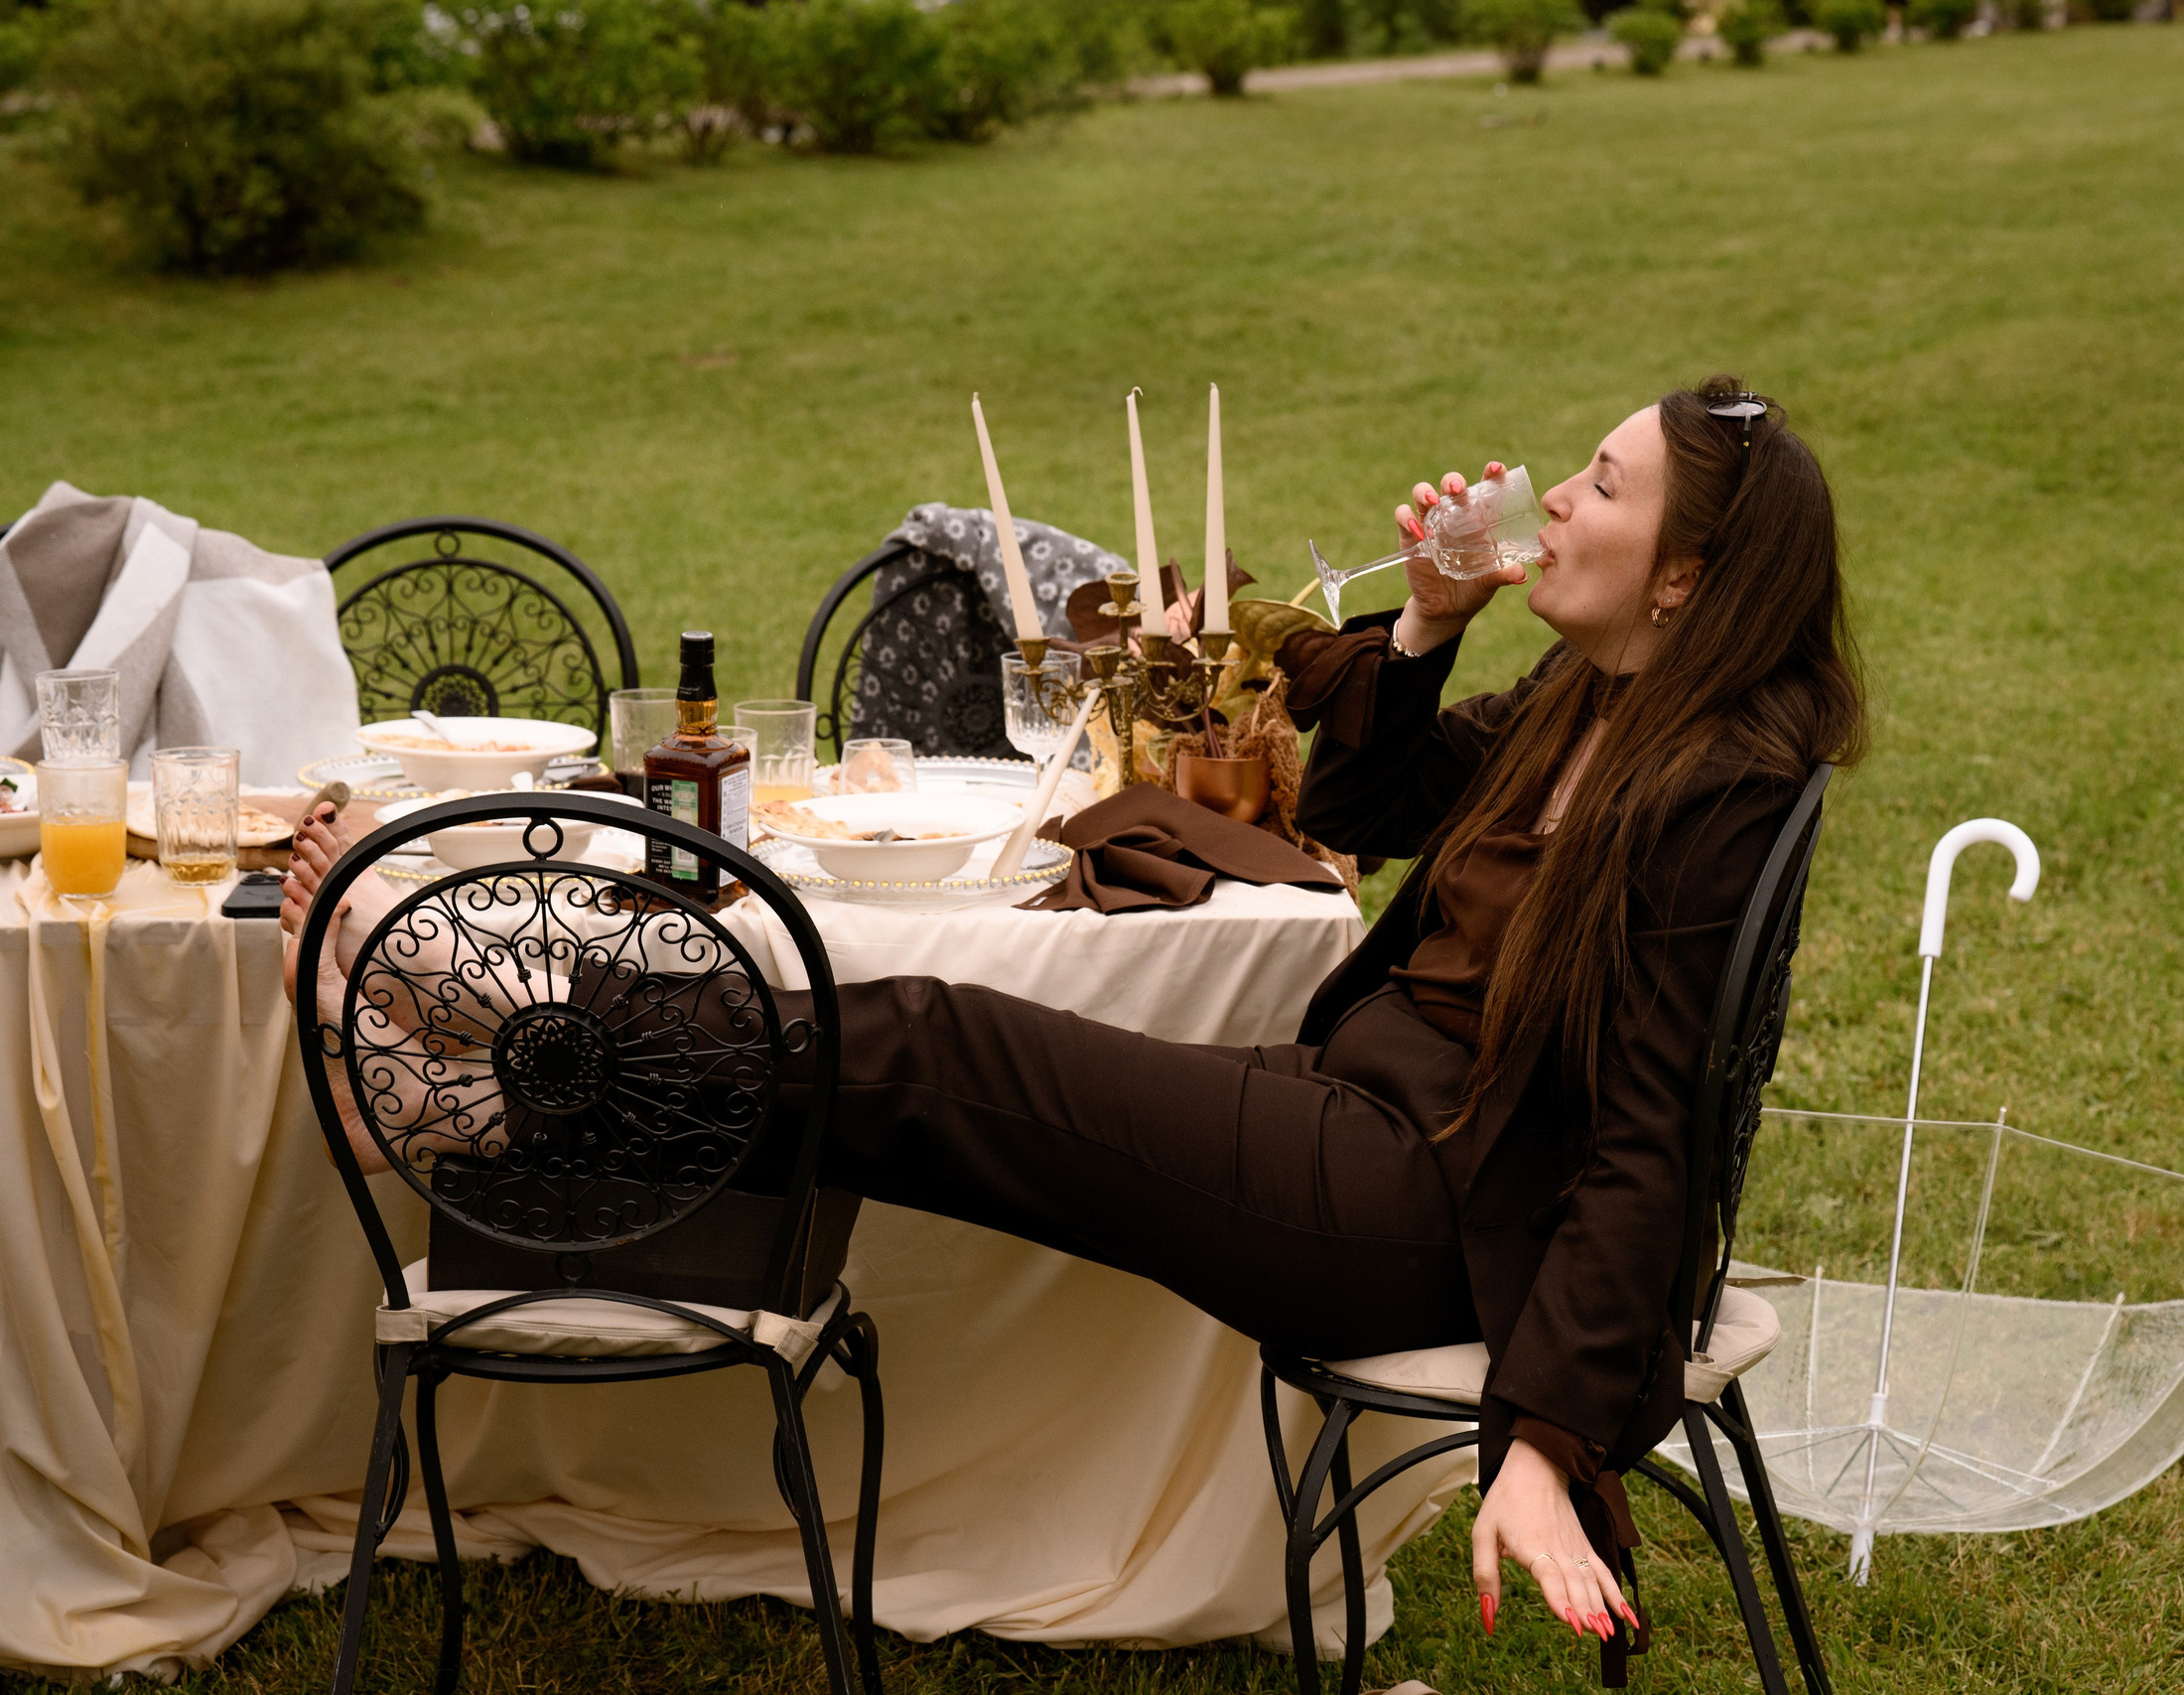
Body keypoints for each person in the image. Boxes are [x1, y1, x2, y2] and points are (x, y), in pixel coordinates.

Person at [281, 375, 1864, 1683]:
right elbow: (1369, 814)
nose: (1558, 501)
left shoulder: (1706, 782)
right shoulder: (1600, 704)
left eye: (1601, 484)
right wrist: (1429, 625)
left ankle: (516, 1031)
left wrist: (1543, 1445)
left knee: (936, 1049)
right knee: (914, 1071)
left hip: (1422, 1205)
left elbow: (1652, 1138)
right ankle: (502, 1102)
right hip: (1361, 1119)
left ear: (1685, 579)